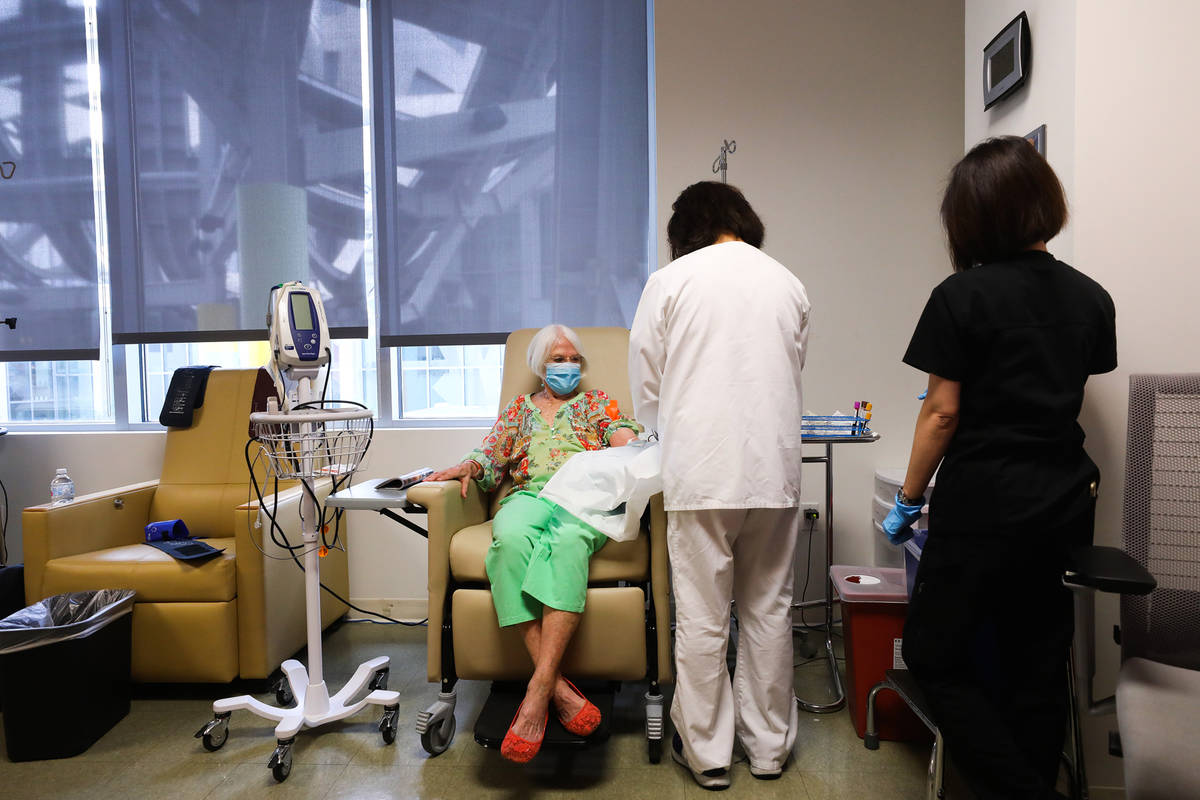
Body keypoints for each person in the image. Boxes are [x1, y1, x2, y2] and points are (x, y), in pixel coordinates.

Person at [883, 136, 1117, 800]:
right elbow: (1077, 379)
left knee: (933, 655)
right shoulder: (1091, 299)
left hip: (984, 504)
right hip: (1064, 503)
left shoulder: (961, 297)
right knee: (1037, 667)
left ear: (973, 218)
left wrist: (907, 497)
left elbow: (942, 414)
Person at [628, 181, 811, 790]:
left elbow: (647, 388)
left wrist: (664, 433)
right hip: (774, 471)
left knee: (704, 617)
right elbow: (791, 365)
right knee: (768, 611)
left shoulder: (670, 283)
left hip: (702, 473)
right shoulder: (787, 281)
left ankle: (708, 756)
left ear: (685, 231)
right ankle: (767, 751)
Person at [426, 324, 639, 764]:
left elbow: (621, 431)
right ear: (540, 367)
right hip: (529, 495)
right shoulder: (519, 410)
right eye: (558, 360)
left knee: (566, 544)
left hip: (583, 497)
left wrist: (628, 442)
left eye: (573, 359)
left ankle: (537, 690)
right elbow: (490, 455)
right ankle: (556, 687)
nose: (567, 367)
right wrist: (465, 466)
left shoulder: (596, 403)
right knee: (508, 541)